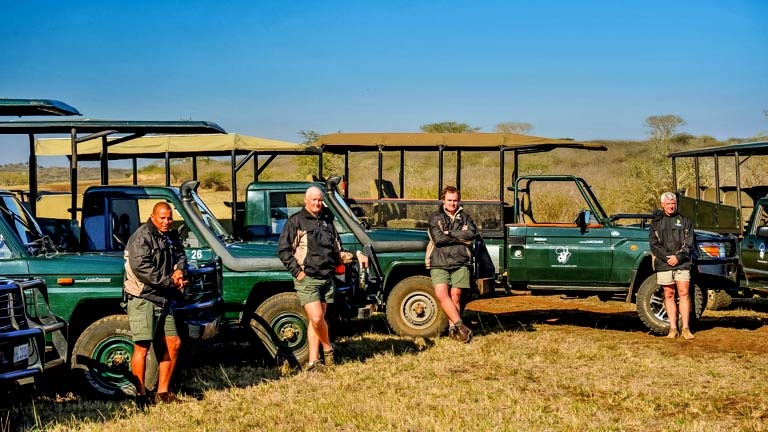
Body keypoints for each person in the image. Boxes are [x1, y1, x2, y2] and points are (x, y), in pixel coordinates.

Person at [278, 186, 367, 371]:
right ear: (306, 200)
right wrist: (299, 273)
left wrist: (356, 254)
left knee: (316, 321)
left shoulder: (327, 221)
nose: (317, 203)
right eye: (314, 200)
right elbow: (284, 250)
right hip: (307, 278)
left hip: (327, 278)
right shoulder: (296, 221)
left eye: (320, 200)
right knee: (318, 318)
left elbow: (337, 252)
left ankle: (313, 362)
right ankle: (328, 349)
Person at [124, 202, 188, 405]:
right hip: (144, 297)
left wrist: (180, 270)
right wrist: (171, 282)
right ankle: (140, 395)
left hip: (164, 297)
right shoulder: (141, 237)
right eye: (162, 218)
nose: (167, 221)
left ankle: (163, 393)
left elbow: (181, 254)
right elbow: (142, 269)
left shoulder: (170, 236)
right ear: (153, 217)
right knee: (142, 347)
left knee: (173, 343)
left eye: (169, 218)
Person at [426, 186, 477, 343]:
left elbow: (471, 234)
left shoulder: (466, 217)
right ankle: (461, 325)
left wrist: (449, 233)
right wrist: (460, 236)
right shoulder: (435, 217)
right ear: (443, 200)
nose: (452, 203)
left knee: (456, 296)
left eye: (455, 200)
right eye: (449, 200)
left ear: (459, 201)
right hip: (439, 260)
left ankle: (453, 329)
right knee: (442, 294)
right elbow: (438, 239)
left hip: (460, 260)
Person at [650, 192, 695, 340]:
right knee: (668, 294)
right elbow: (654, 244)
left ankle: (686, 328)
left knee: (684, 292)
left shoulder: (686, 221)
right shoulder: (656, 223)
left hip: (682, 262)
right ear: (662, 205)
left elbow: (689, 243)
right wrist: (667, 258)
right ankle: (673, 329)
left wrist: (678, 257)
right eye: (668, 203)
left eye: (673, 203)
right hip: (664, 263)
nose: (671, 206)